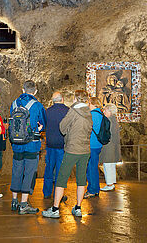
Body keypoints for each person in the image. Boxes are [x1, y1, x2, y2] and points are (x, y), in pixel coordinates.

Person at [42, 90, 93, 218]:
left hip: (72, 150)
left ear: (76, 98)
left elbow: (62, 127)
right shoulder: (89, 112)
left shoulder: (73, 111)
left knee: (61, 179)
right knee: (81, 180)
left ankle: (54, 209)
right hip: (85, 150)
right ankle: (78, 207)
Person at [10, 80, 47, 214]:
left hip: (17, 143)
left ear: (23, 90)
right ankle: (24, 204)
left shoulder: (14, 103)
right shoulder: (37, 105)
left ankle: (14, 200)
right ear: (35, 91)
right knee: (29, 172)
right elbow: (43, 123)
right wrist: (40, 127)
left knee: (17, 170)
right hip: (32, 144)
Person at [42, 92, 69, 200]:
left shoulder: (47, 111)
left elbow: (43, 126)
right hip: (62, 145)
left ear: (53, 100)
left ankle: (47, 192)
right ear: (62, 99)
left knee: (48, 168)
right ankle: (59, 194)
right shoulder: (68, 111)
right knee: (60, 171)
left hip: (50, 145)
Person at [84, 97, 103, 198]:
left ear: (92, 103)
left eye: (88, 103)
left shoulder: (92, 115)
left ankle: (92, 190)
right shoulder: (100, 113)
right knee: (94, 167)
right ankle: (95, 189)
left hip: (92, 145)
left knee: (91, 168)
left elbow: (87, 129)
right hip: (98, 145)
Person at [100, 103, 121, 191]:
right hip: (113, 145)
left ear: (110, 111)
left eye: (105, 110)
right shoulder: (114, 120)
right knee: (111, 165)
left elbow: (106, 134)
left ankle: (109, 184)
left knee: (107, 165)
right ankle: (111, 183)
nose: (103, 111)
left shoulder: (108, 120)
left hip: (108, 146)